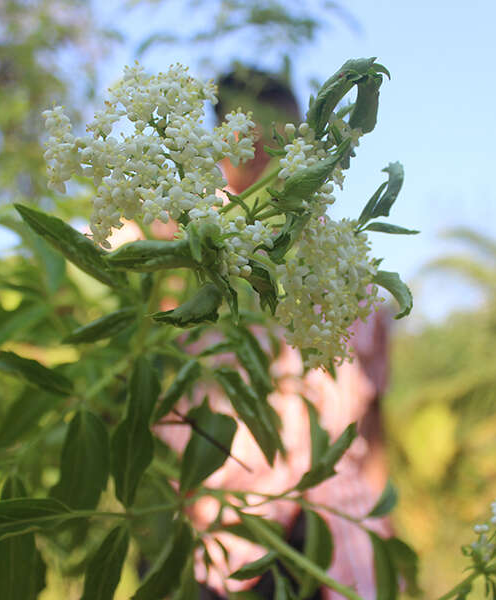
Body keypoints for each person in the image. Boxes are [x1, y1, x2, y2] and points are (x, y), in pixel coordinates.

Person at [157, 66, 396, 599]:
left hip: (346, 533)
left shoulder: (349, 272)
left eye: (284, 135)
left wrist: (385, 513)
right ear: (222, 137)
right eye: (253, 133)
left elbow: (374, 420)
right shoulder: (182, 244)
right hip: (225, 534)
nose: (269, 150)